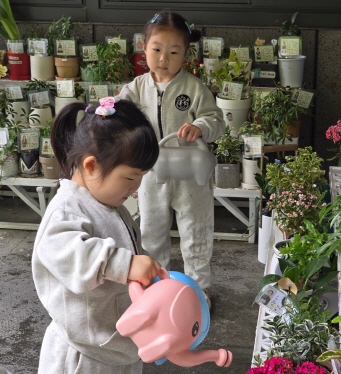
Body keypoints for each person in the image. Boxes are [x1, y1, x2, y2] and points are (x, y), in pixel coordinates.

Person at [32, 98, 161, 373]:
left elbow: (127, 246)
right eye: (130, 179)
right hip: (84, 356)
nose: (135, 188)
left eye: (141, 179)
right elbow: (73, 256)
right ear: (91, 166)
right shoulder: (66, 211)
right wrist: (125, 264)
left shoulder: (109, 204)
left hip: (115, 345)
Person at [118, 11, 225, 309]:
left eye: (174, 52)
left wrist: (200, 126)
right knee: (151, 233)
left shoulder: (194, 89)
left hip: (191, 175)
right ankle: (156, 290)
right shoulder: (137, 88)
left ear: (186, 54)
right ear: (144, 47)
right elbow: (118, 111)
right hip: (152, 172)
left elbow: (216, 121)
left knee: (196, 232)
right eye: (157, 50)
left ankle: (199, 291)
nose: (164, 58)